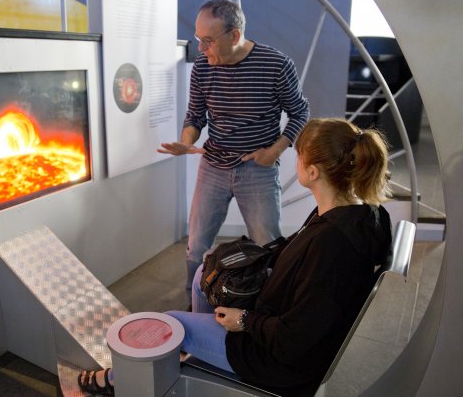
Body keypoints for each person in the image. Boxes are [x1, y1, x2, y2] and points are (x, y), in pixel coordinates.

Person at [79, 118, 393, 396]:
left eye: (299, 155)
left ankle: (121, 380)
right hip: (279, 320)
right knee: (205, 273)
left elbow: (295, 338)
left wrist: (243, 320)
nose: (294, 159)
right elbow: (292, 259)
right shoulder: (354, 213)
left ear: (313, 172)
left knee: (172, 324)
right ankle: (203, 361)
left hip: (280, 361)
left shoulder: (332, 245)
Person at [158, 0, 310, 304]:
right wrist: (187, 140)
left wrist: (275, 151)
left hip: (258, 170)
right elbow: (195, 116)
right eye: (198, 39)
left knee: (267, 245)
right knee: (197, 246)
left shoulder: (276, 64)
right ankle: (195, 302)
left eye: (209, 41)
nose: (202, 49)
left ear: (235, 35)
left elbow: (300, 112)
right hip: (213, 166)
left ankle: (264, 307)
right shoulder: (203, 66)